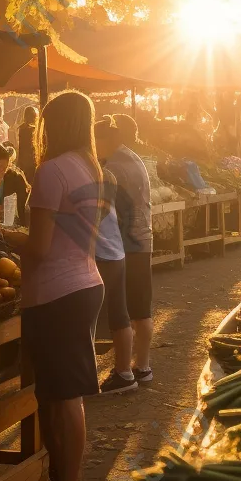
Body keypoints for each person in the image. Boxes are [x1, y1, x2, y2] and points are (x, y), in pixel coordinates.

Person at [17, 90, 105, 481]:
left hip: (56, 293)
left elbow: (37, 247)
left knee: (64, 395)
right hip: (84, 284)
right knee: (56, 394)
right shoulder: (90, 167)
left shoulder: (51, 171)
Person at [105, 113, 155, 385]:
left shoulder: (113, 165)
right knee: (141, 307)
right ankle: (143, 367)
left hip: (126, 243)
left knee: (122, 310)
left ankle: (124, 371)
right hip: (142, 239)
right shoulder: (133, 157)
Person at [92, 118, 137, 394]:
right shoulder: (104, 172)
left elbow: (93, 217)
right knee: (118, 313)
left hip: (103, 253)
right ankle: (125, 372)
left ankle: (123, 373)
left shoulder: (102, 174)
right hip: (114, 250)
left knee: (106, 315)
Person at [17, 105, 39, 182]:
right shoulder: (33, 129)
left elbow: (20, 147)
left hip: (24, 160)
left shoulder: (21, 128)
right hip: (32, 160)